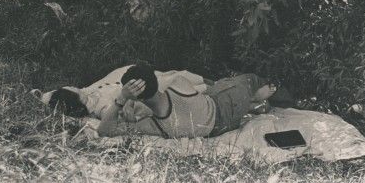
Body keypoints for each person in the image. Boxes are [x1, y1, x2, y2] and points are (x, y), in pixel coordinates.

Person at [97, 63, 277, 139]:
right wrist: (130, 99)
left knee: (216, 86)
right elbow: (168, 80)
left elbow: (104, 130)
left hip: (215, 128)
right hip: (221, 106)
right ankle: (259, 96)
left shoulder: (152, 126)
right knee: (250, 80)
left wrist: (123, 99)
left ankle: (253, 102)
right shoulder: (177, 84)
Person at [35, 66, 211, 120]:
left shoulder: (87, 93)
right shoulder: (100, 108)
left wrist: (38, 96)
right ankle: (210, 86)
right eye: (70, 89)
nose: (72, 86)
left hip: (138, 84)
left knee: (177, 75)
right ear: (74, 96)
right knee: (180, 81)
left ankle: (209, 82)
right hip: (142, 92)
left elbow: (48, 98)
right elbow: (118, 113)